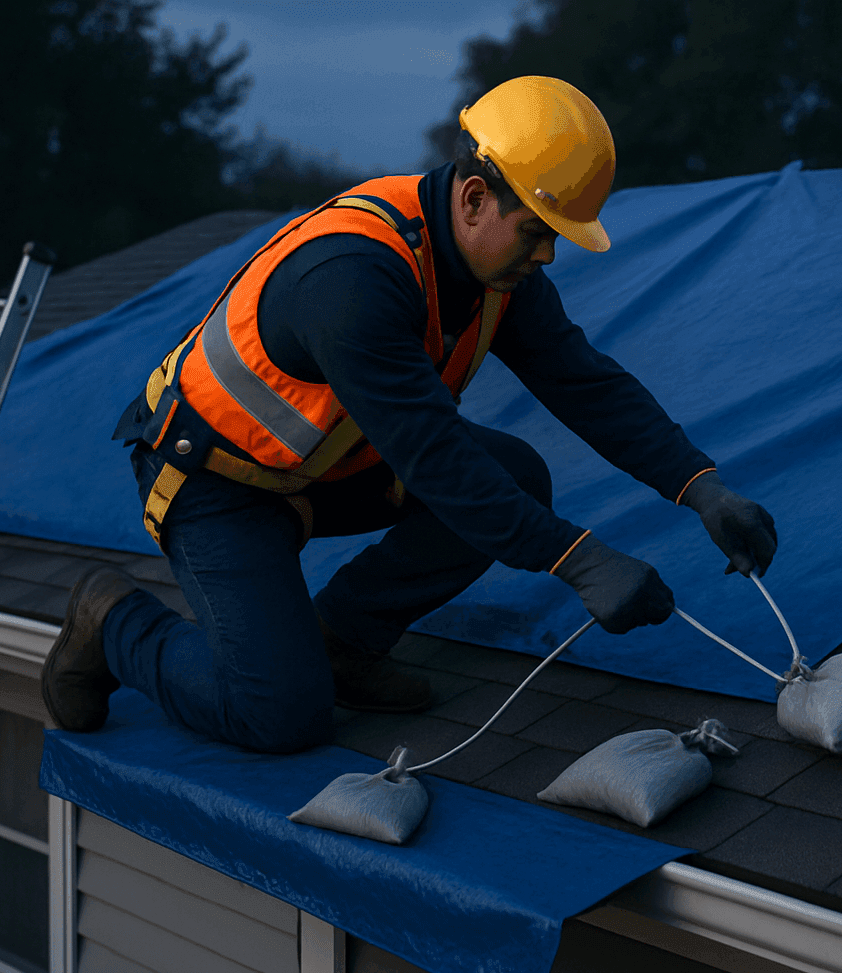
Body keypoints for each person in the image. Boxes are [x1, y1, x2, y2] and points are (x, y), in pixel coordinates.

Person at [40, 76, 776, 753]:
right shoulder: (352, 279)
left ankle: (344, 643)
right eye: (538, 231)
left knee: (514, 475)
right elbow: (434, 456)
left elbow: (584, 383)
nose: (548, 255)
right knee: (280, 715)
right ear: (476, 198)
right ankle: (112, 623)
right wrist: (579, 561)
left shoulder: (495, 270)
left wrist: (698, 485)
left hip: (329, 464)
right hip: (217, 482)